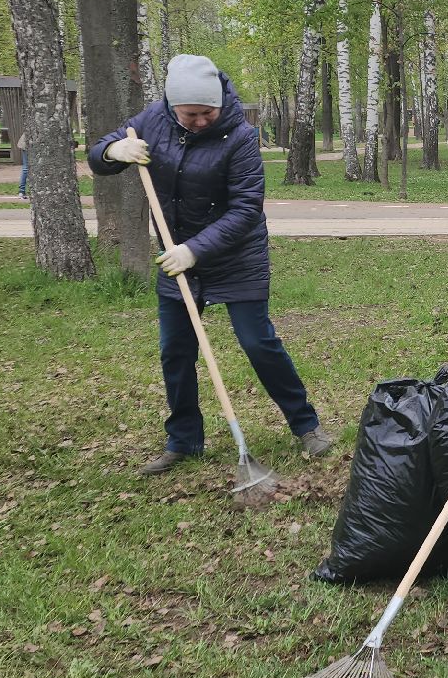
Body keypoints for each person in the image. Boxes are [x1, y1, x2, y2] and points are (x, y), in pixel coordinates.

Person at [89, 54, 333, 475]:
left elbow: (245, 210)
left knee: (258, 342)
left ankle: (306, 425)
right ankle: (184, 440)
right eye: (191, 114)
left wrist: (195, 249)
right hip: (177, 257)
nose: (201, 120)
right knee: (176, 351)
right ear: (171, 106)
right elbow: (96, 157)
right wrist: (113, 149)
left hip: (236, 255)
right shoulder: (150, 121)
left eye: (208, 112)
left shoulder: (239, 136)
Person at [15, 125, 30, 199]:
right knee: (26, 168)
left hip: (28, 142)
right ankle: (21, 191)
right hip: (27, 143)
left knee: (26, 168)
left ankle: (22, 191)